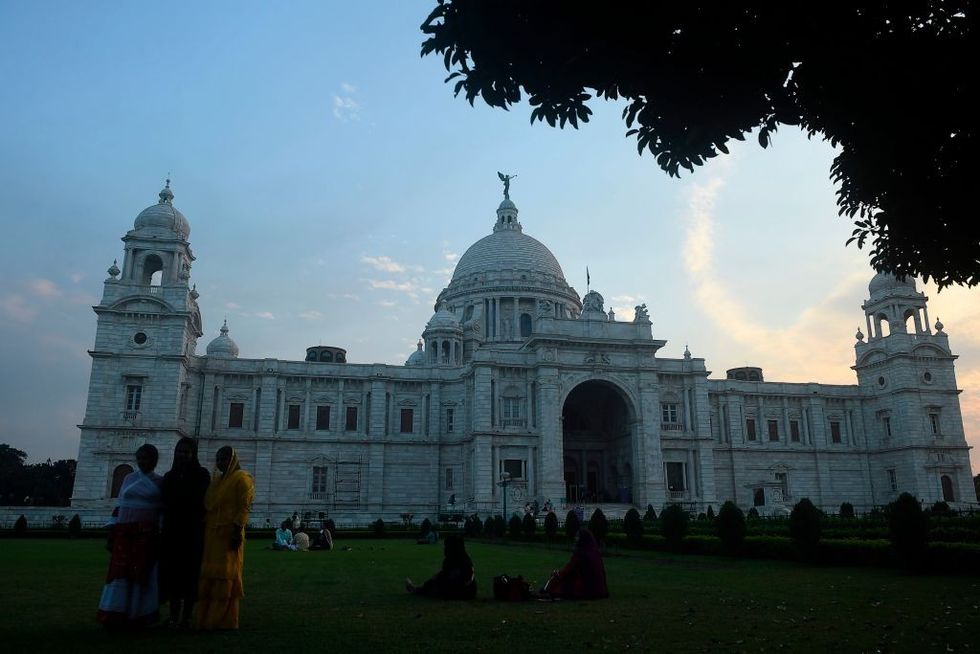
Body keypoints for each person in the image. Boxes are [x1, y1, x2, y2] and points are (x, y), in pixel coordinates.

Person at [97, 444, 164, 628]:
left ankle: (139, 615)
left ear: (155, 461)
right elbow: (120, 505)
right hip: (125, 534)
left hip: (146, 536)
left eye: (146, 458)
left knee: (141, 574)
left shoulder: (161, 482)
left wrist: (160, 533)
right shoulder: (128, 478)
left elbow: (163, 511)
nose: (142, 462)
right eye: (139, 458)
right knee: (120, 574)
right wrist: (112, 532)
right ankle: (116, 613)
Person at [197, 446, 255, 630]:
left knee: (227, 574)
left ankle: (224, 619)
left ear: (232, 460)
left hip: (230, 533)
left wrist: (237, 531)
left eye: (224, 459)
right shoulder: (217, 480)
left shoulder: (242, 478)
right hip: (213, 534)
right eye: (218, 459)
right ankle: (207, 618)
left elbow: (244, 508)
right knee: (210, 575)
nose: (221, 462)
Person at [160, 437, 210, 628]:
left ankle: (187, 616)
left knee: (191, 575)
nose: (182, 455)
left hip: (193, 532)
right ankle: (173, 616)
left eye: (186, 452)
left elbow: (201, 501)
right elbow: (164, 502)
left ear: (193, 454)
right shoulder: (169, 476)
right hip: (172, 532)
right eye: (179, 451)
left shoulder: (202, 474)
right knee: (172, 574)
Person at [541, 528, 608, 600]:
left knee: (561, 581)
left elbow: (569, 569)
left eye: (577, 536)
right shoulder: (595, 552)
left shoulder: (580, 553)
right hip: (599, 590)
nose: (575, 538)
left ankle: (545, 590)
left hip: (586, 589)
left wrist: (557, 574)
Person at [406, 535, 476, 600]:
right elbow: (444, 575)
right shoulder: (458, 559)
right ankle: (419, 589)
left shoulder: (462, 562)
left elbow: (464, 580)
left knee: (435, 587)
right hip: (467, 591)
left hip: (462, 591)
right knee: (435, 582)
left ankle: (417, 590)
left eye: (446, 546)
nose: (444, 549)